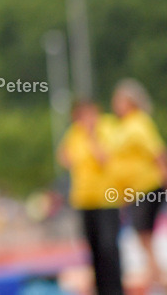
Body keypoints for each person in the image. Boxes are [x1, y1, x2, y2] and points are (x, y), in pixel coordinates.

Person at [110, 79, 167, 290]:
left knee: (144, 234)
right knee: (143, 235)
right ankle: (156, 276)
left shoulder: (139, 123)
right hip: (135, 190)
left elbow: (158, 153)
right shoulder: (123, 126)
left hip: (147, 186)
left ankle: (157, 279)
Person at [59, 100, 124, 295]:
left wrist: (92, 136)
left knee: (109, 246)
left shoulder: (108, 127)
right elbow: (64, 157)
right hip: (84, 199)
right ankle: (101, 288)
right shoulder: (75, 132)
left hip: (106, 198)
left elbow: (104, 158)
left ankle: (115, 289)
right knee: (93, 247)